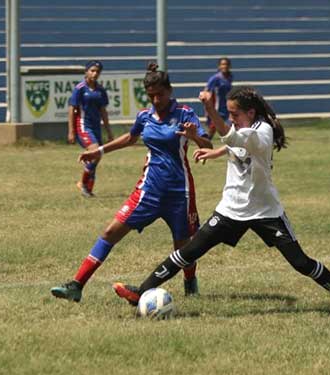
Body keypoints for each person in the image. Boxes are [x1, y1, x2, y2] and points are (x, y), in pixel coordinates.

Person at [110, 86, 330, 316]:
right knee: (189, 252)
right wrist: (215, 152)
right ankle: (140, 292)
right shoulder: (246, 126)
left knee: (301, 263)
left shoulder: (263, 132)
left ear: (251, 113)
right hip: (230, 209)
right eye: (228, 113)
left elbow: (236, 138)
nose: (232, 118)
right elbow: (232, 144)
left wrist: (211, 110)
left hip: (265, 211)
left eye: (235, 114)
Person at [50, 63, 212, 302]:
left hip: (180, 192)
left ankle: (190, 285)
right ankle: (76, 285)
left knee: (183, 245)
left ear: (170, 91)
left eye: (160, 94)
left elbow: (207, 146)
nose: (156, 99)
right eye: (151, 96)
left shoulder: (185, 114)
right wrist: (100, 151)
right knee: (109, 232)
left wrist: (194, 137)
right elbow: (130, 138)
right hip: (148, 190)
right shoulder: (144, 116)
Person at [68, 60, 114, 198]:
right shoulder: (80, 89)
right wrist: (71, 131)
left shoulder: (100, 91)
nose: (95, 74)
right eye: (92, 70)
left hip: (95, 127)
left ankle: (87, 188)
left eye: (97, 71)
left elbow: (103, 111)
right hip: (83, 126)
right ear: (86, 72)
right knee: (95, 152)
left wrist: (109, 131)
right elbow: (72, 109)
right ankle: (83, 184)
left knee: (96, 156)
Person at [204, 57, 233, 137]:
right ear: (219, 66)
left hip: (227, 110)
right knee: (211, 131)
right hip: (217, 110)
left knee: (230, 131)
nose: (225, 66)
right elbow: (206, 92)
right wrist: (207, 108)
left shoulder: (229, 77)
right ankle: (203, 146)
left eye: (227, 64)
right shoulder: (215, 79)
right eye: (223, 64)